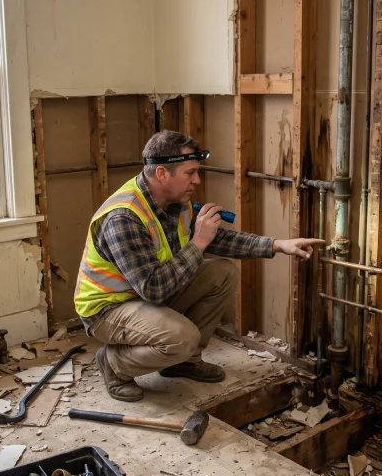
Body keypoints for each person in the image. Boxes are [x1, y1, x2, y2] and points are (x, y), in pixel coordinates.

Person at [74, 130, 324, 401]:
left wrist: (278, 245)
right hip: (108, 307)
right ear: (162, 173)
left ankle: (184, 362)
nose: (197, 180)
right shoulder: (124, 217)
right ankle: (113, 364)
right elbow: (154, 289)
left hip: (143, 296)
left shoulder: (173, 203)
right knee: (182, 337)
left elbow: (221, 240)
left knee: (222, 273)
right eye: (190, 173)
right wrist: (199, 242)